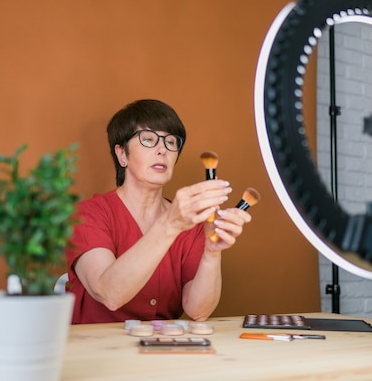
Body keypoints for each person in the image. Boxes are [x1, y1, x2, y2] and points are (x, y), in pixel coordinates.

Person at [66, 99, 251, 324]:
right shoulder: (88, 214)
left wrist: (212, 252)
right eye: (148, 139)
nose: (162, 149)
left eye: (171, 142)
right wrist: (170, 224)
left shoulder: (190, 223)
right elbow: (109, 294)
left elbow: (198, 311)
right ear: (122, 154)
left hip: (161, 348)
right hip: (96, 351)